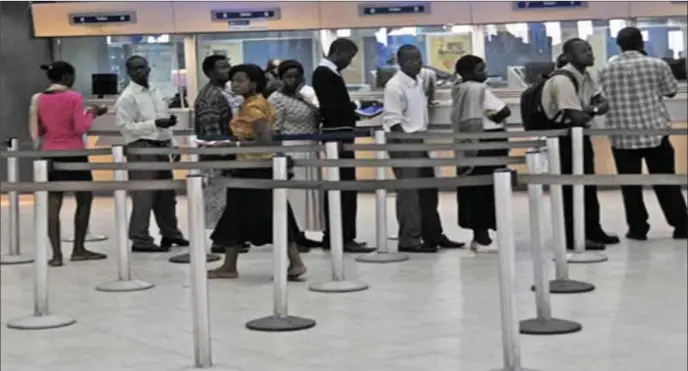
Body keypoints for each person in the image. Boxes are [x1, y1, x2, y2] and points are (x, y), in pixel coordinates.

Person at [207, 63, 307, 280]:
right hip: (254, 168)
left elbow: (265, 142)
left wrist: (234, 146)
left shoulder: (253, 107)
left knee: (243, 215)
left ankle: (231, 266)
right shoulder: (255, 103)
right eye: (233, 80)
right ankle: (292, 262)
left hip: (254, 170)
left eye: (241, 80)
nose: (235, 84)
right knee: (263, 214)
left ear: (253, 83)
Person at [599, 27, 687, 240]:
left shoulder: (605, 69)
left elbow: (600, 97)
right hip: (654, 132)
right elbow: (671, 90)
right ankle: (682, 225)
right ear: (641, 43)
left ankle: (638, 228)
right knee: (666, 181)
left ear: (619, 45)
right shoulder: (657, 64)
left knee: (630, 186)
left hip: (621, 136)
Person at [383, 45, 464, 253]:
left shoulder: (419, 79)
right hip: (404, 140)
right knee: (409, 193)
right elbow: (393, 121)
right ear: (400, 63)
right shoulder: (394, 86)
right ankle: (408, 239)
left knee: (428, 190)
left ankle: (433, 235)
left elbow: (440, 73)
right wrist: (406, 151)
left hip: (419, 138)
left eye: (418, 59)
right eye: (411, 60)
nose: (416, 63)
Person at [540, 38, 619, 251]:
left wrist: (589, 109)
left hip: (580, 137)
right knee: (571, 189)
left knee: (588, 185)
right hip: (564, 139)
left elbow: (603, 103)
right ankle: (573, 236)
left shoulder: (586, 76)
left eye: (590, 49)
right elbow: (577, 116)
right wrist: (591, 110)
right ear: (568, 56)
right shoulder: (563, 80)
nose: (590, 54)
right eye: (584, 51)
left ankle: (593, 229)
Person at [29, 61, 108, 267]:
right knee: (84, 199)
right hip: (74, 154)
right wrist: (92, 113)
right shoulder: (74, 97)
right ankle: (79, 249)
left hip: (50, 154)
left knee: (53, 204)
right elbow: (81, 127)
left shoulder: (39, 99)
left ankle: (56, 255)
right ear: (66, 78)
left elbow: (37, 130)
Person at [115, 55, 188, 253]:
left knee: (166, 194)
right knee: (144, 196)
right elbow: (125, 127)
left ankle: (171, 233)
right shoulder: (127, 97)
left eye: (143, 67)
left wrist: (173, 144)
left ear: (149, 68)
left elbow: (162, 120)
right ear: (129, 72)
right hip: (142, 148)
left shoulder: (156, 91)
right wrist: (154, 124)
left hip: (162, 145)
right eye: (135, 69)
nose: (141, 71)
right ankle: (140, 239)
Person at [312, 38, 375, 253]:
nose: (349, 62)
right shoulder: (324, 73)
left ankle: (344, 234)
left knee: (346, 187)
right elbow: (333, 108)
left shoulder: (330, 74)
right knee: (343, 188)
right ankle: (341, 236)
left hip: (341, 135)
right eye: (349, 56)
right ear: (338, 51)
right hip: (336, 137)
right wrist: (356, 108)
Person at [451, 55, 512, 253]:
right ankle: (485, 238)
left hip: (469, 145)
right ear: (468, 73)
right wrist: (493, 116)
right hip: (486, 143)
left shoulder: (459, 89)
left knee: (473, 192)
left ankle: (479, 236)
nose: (484, 73)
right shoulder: (478, 89)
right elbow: (504, 111)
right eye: (480, 70)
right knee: (487, 192)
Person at [268, 59, 324, 250]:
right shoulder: (275, 99)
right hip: (290, 148)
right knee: (294, 195)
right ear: (281, 78)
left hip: (309, 148)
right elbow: (274, 130)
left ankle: (303, 233)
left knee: (308, 194)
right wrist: (280, 154)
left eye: (296, 77)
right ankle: (292, 236)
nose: (292, 80)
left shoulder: (305, 96)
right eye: (288, 77)